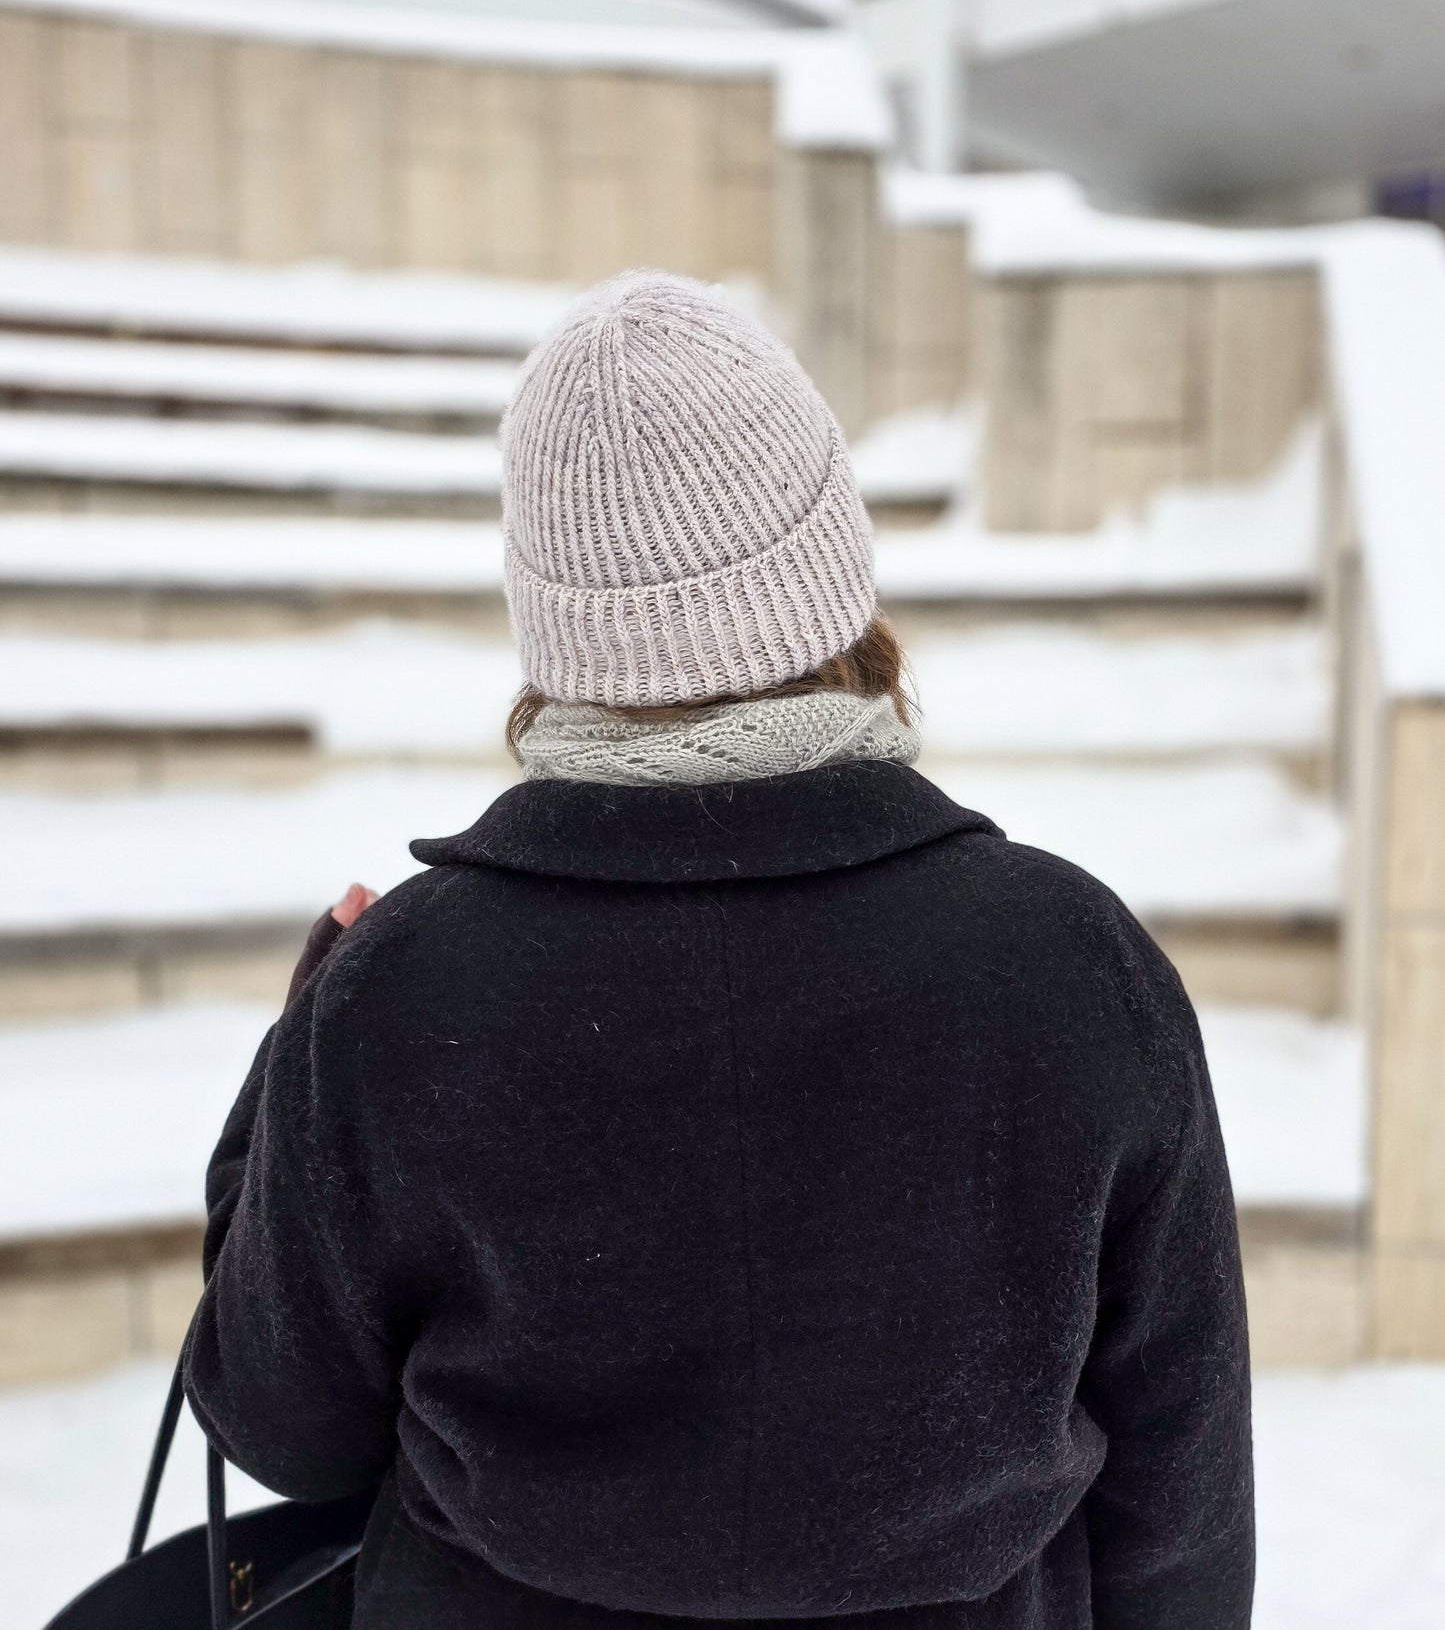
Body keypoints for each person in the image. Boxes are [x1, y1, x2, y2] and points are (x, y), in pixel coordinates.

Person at [184, 270, 1253, 1630]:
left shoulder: (402, 993)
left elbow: (281, 1422)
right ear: (832, 581)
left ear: (557, 626)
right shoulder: (1072, 960)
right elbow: (1181, 1490)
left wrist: (301, 1045)